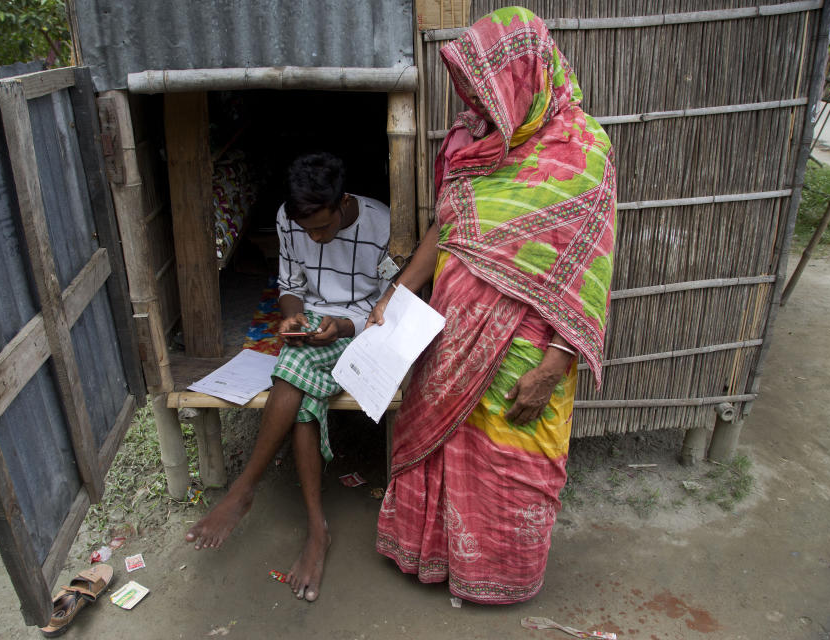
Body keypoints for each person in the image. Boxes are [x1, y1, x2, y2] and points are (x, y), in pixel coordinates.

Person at [370, 7, 616, 604]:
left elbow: (591, 268)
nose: (476, 102)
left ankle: (502, 576)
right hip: (451, 334)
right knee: (445, 448)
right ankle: (435, 559)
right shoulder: (471, 141)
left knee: (510, 463)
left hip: (530, 353)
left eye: (486, 89)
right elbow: (445, 231)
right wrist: (397, 291)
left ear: (527, 76)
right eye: (471, 89)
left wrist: (554, 368)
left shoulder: (582, 151)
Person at [185, 151, 391, 603]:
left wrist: (346, 326)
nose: (314, 238)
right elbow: (291, 285)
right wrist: (293, 318)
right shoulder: (287, 218)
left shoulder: (381, 223)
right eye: (306, 230)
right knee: (301, 393)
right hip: (317, 322)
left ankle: (245, 490)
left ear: (344, 202)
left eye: (322, 226)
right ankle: (316, 531)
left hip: (364, 327)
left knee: (291, 372)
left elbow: (390, 299)